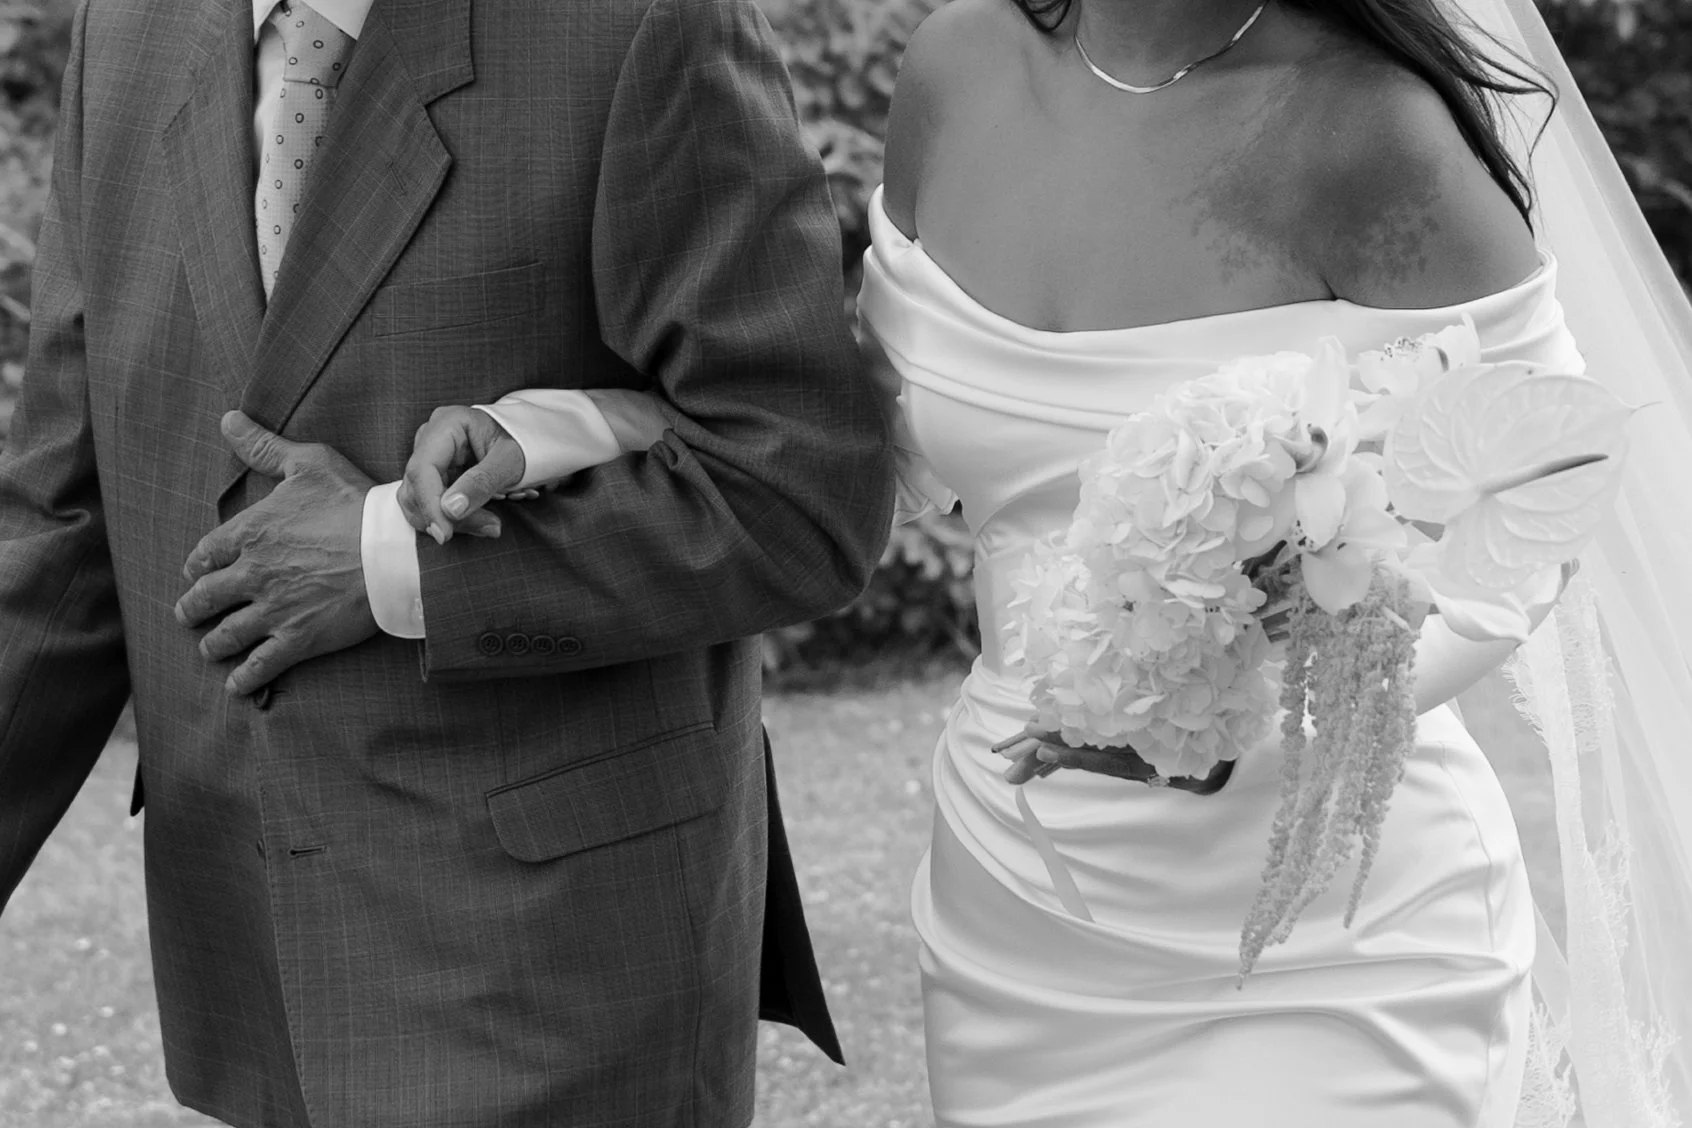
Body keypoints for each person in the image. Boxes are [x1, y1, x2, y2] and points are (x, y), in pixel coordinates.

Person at [410, 0, 1692, 1123]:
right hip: (1024, 912)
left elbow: (1551, 482)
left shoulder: (1368, 129)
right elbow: (849, 432)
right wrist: (555, 434)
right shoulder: (955, 68)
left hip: (1333, 937)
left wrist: (1244, 718)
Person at [0, 0, 896, 1123]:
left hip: (560, 971)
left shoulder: (644, 24)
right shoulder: (126, 28)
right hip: (253, 958)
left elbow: (802, 491)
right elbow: (65, 522)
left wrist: (394, 564)